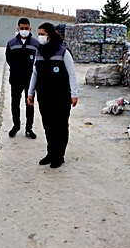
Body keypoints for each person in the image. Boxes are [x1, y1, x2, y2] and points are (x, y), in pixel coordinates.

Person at [27, 22, 78, 168]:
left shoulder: (63, 52)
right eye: (40, 34)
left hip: (61, 96)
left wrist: (74, 94)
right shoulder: (39, 52)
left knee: (60, 126)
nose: (40, 37)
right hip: (44, 95)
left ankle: (59, 156)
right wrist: (31, 92)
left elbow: (72, 74)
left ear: (50, 34)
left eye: (43, 34)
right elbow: (34, 73)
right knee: (48, 125)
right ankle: (51, 153)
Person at [5, 18, 40, 139]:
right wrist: (15, 69)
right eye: (22, 28)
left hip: (30, 80)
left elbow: (39, 61)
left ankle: (29, 129)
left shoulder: (36, 44)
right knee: (15, 103)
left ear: (30, 29)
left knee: (29, 104)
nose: (24, 30)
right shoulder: (11, 43)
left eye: (26, 28)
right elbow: (8, 59)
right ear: (18, 29)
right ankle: (16, 126)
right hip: (15, 79)